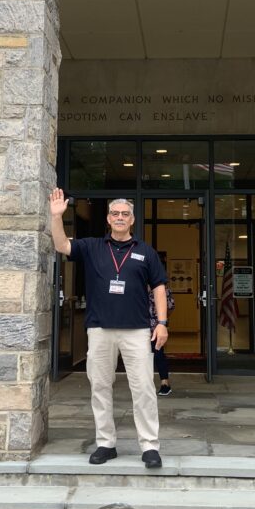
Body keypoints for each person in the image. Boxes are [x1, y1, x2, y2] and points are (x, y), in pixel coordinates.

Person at [49, 188, 169, 469]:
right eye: (115, 213)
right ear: (108, 218)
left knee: (143, 390)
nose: (119, 218)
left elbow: (160, 288)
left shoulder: (145, 252)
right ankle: (106, 443)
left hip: (137, 331)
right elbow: (62, 246)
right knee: (100, 387)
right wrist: (56, 218)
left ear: (132, 220)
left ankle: (149, 446)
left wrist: (162, 323)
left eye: (125, 214)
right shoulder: (92, 246)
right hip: (100, 330)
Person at [149, 288, 172, 396]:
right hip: (139, 328)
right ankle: (145, 384)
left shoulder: (163, 289)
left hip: (157, 328)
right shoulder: (137, 286)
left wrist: (162, 322)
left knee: (158, 354)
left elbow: (170, 306)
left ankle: (165, 383)